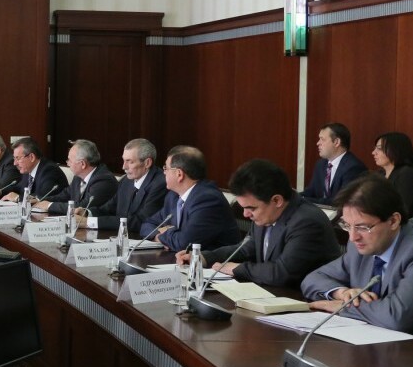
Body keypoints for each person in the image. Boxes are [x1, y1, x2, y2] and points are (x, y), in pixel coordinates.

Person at [177, 160, 340, 288]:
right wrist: (203, 258)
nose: (245, 214)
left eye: (251, 208)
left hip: (304, 303)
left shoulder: (306, 222)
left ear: (277, 200)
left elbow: (282, 273)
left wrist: (236, 268)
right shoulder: (267, 214)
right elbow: (246, 249)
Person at [302, 175, 413, 338]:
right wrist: (343, 293)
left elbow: (397, 317)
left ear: (393, 221)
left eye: (362, 227)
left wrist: (344, 306)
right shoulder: (360, 247)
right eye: (347, 225)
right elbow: (313, 279)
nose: (353, 237)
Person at [141, 145, 241, 251]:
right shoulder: (173, 196)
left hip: (211, 260)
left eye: (166, 168)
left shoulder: (208, 200)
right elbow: (147, 225)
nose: (164, 172)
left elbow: (184, 244)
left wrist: (163, 234)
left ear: (179, 174)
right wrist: (158, 235)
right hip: (179, 258)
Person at [75, 138, 167, 235]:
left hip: (140, 239)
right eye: (124, 160)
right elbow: (108, 209)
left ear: (147, 163)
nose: (124, 167)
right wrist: (86, 213)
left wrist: (88, 222)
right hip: (119, 237)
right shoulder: (126, 181)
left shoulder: (160, 184)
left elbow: (139, 221)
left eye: (130, 161)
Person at [38, 140, 116, 215]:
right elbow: (64, 196)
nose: (67, 163)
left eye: (69, 160)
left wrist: (49, 205)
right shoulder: (78, 177)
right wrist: (39, 200)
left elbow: (82, 207)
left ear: (82, 164)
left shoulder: (104, 180)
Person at [301, 122, 366, 205]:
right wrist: (293, 197)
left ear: (336, 142)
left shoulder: (354, 167)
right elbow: (311, 191)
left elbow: (341, 201)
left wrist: (306, 200)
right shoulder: (320, 164)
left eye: (322, 139)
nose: (318, 143)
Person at [371, 131, 413, 220]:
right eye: (375, 148)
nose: (373, 152)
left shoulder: (407, 174)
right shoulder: (379, 174)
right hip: (383, 222)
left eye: (379, 148)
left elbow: (402, 209)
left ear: (395, 150)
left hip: (407, 225)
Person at [0, 137, 68, 203]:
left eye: (18, 158)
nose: (15, 163)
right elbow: (18, 188)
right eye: (14, 158)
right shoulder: (28, 170)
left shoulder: (50, 171)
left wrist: (18, 198)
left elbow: (41, 197)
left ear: (31, 157)